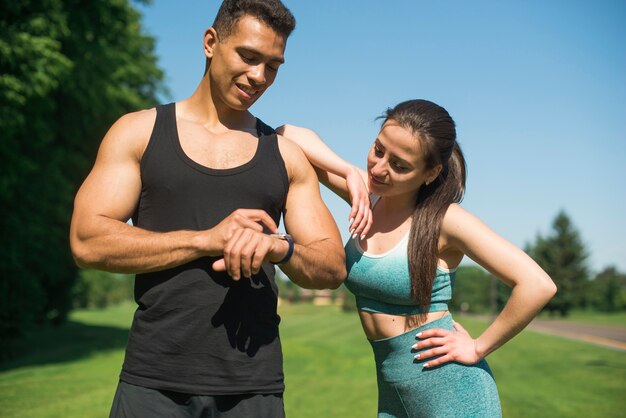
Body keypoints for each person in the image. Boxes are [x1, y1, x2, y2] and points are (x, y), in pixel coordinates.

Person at [69, 1, 346, 417]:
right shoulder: (139, 132)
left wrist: (280, 248)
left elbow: (331, 267)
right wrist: (205, 240)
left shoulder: (285, 156)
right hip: (153, 385)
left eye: (273, 65)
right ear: (210, 42)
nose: (259, 77)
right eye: (249, 57)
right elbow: (87, 241)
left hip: (255, 390)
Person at [279, 99, 557, 417]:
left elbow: (537, 284)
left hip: (452, 396)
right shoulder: (367, 194)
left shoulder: (445, 220)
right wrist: (346, 172)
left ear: (430, 173)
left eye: (400, 165)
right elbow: (287, 133)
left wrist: (478, 347)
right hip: (394, 396)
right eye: (378, 149)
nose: (379, 168)